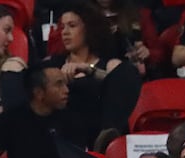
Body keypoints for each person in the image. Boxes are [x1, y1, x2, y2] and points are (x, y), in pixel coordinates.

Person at [51, 2, 141, 138]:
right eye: (63, 27)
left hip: (99, 130)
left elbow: (117, 87)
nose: (65, 32)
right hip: (64, 132)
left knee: (125, 70)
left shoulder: (111, 65)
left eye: (72, 26)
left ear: (89, 28)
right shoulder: (54, 65)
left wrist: (89, 70)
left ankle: (106, 142)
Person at [0, 65, 80, 158]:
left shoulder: (72, 119)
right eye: (59, 84)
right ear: (39, 93)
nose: (66, 90)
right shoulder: (11, 118)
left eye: (65, 83)